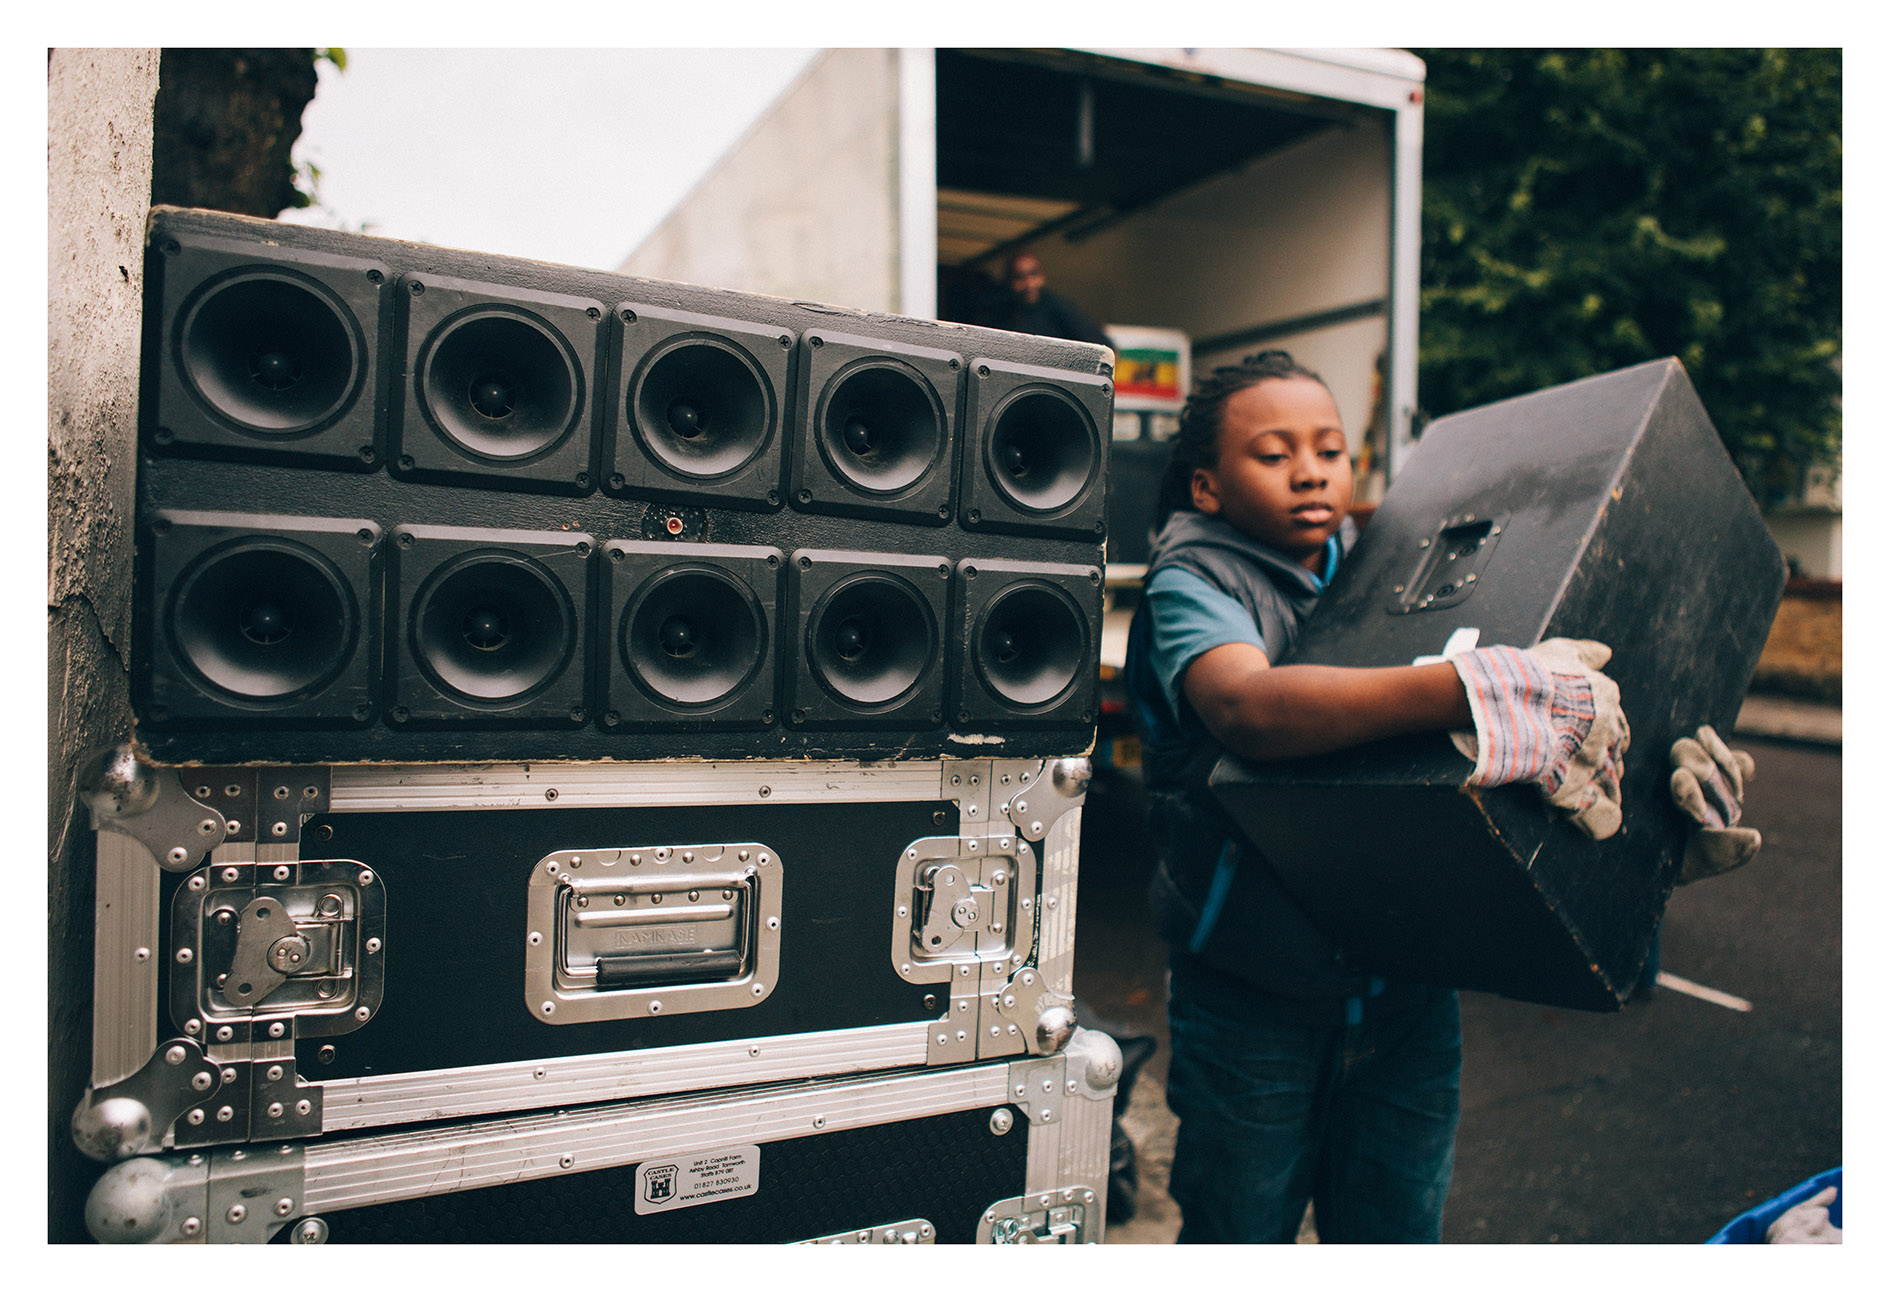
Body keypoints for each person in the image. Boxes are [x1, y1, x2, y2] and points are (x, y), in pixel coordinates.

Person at [1122, 349, 1757, 1243]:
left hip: (1409, 991)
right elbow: (1248, 709)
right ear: (1207, 487)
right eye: (1273, 453)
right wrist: (1474, 687)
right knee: (1240, 1232)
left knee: (1398, 1232)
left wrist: (1647, 814)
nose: (1311, 471)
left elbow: (1461, 764)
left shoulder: (1384, 563)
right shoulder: (1193, 581)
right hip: (1254, 1000)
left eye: (1330, 450)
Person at [988, 251, 1115, 348]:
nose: (1029, 284)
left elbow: (1105, 348)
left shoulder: (1059, 308)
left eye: (1033, 274)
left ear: (1042, 276)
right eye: (1019, 277)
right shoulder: (1000, 313)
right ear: (1008, 281)